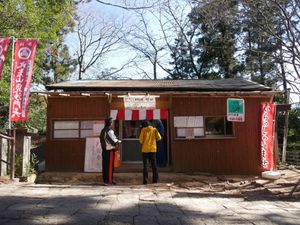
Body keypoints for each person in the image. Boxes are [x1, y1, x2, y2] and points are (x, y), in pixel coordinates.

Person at [139, 120, 161, 184]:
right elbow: (159, 138)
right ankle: (155, 180)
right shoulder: (154, 129)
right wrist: (154, 139)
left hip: (145, 150)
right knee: (154, 164)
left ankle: (145, 181)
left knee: (145, 165)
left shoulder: (143, 130)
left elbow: (140, 141)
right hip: (153, 149)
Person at [100, 117, 121, 186]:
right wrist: (118, 141)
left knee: (105, 165)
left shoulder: (103, 130)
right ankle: (109, 180)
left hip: (104, 150)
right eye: (112, 122)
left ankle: (106, 180)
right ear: (110, 123)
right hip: (109, 150)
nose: (112, 123)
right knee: (110, 166)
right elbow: (113, 140)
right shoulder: (109, 130)